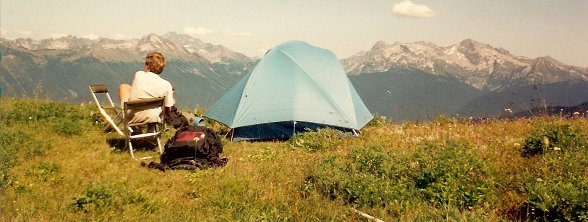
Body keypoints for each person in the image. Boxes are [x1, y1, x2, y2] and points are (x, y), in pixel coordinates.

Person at [118, 52, 174, 125]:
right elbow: (168, 109)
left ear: (147, 66)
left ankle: (134, 127)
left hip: (133, 116)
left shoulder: (139, 75)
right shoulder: (167, 85)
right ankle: (150, 128)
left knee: (123, 87)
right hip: (154, 117)